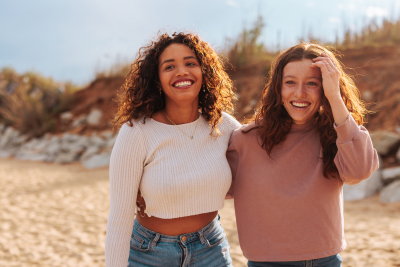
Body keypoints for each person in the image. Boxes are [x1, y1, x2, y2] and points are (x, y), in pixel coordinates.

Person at [226, 43, 379, 267]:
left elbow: (360, 171)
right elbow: (212, 188)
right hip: (264, 262)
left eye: (312, 83)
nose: (299, 93)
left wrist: (335, 98)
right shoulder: (245, 139)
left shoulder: (337, 135)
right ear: (277, 88)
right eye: (290, 82)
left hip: (323, 261)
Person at [105, 32, 240, 267]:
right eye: (169, 66)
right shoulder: (137, 132)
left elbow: (265, 163)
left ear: (204, 72)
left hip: (211, 249)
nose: (182, 72)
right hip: (149, 253)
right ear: (157, 78)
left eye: (190, 63)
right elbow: (119, 217)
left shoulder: (224, 125)